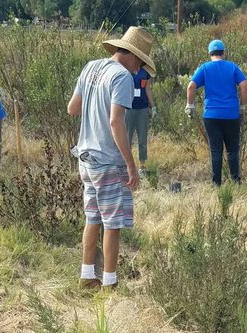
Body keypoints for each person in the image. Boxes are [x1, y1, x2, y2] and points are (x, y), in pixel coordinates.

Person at [67, 26, 156, 291]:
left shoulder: (91, 67)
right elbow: (116, 121)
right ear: (135, 56)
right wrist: (131, 163)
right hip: (108, 160)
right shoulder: (122, 77)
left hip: (85, 157)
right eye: (140, 63)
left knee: (92, 218)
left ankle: (87, 276)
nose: (139, 68)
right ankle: (109, 282)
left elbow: (73, 108)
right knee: (113, 223)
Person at [185, 39, 247, 186]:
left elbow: (191, 86)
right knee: (233, 149)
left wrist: (190, 105)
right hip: (231, 114)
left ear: (210, 54)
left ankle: (216, 183)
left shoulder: (205, 68)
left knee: (216, 150)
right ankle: (235, 181)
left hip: (212, 115)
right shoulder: (232, 67)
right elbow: (244, 84)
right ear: (224, 53)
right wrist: (243, 105)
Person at [125, 63, 154, 176]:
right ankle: (126, 165)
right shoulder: (126, 71)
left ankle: (142, 165)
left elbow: (148, 89)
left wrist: (153, 106)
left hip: (143, 108)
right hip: (129, 108)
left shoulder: (145, 73)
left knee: (142, 138)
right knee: (127, 138)